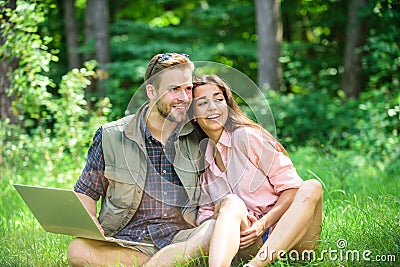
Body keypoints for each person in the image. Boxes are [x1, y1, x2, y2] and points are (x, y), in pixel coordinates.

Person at [67, 53, 215, 267]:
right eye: (174, 89)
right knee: (78, 250)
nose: (184, 97)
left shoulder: (200, 133)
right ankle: (168, 264)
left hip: (182, 240)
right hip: (127, 242)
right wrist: (90, 222)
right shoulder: (111, 136)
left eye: (188, 88)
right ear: (151, 91)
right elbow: (85, 193)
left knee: (213, 230)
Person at [190, 74, 323, 267]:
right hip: (250, 242)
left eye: (219, 100)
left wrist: (262, 224)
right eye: (202, 103)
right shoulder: (204, 161)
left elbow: (292, 189)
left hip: (292, 237)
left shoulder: (247, 137)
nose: (212, 107)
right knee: (230, 202)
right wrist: (229, 215)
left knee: (312, 186)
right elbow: (204, 217)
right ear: (193, 116)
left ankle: (256, 266)